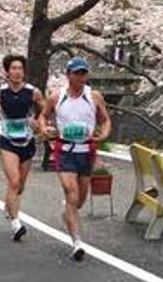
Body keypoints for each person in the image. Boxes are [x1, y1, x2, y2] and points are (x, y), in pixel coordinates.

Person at [42, 56, 111, 261]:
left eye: (84, 73)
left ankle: (68, 212)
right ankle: (77, 242)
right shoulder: (56, 96)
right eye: (77, 73)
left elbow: (105, 119)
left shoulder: (94, 96)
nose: (81, 77)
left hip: (86, 151)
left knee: (79, 199)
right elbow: (42, 116)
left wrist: (105, 134)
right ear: (68, 75)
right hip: (65, 151)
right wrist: (44, 129)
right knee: (71, 193)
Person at [0, 54, 46, 241]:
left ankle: (9, 205)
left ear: (24, 71)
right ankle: (15, 223)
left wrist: (40, 125)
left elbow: (44, 110)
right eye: (13, 68)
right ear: (7, 71)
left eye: (20, 68)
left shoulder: (33, 92)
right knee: (14, 181)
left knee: (20, 186)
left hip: (27, 140)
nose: (17, 72)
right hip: (7, 141)